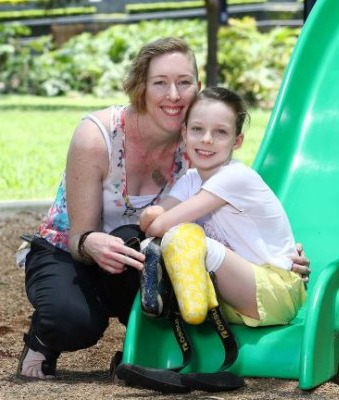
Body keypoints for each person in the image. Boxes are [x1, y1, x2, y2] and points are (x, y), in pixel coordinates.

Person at [16, 38, 310, 380]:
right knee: (73, 320)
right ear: (141, 87)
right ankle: (42, 340)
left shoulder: (197, 147)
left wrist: (274, 254)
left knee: (157, 250)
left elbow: (232, 215)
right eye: (160, 83)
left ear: (197, 88)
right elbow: (79, 234)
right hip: (73, 250)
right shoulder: (97, 135)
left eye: (184, 83)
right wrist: (90, 242)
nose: (174, 95)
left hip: (135, 252)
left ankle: (142, 347)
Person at [139, 87, 307, 327]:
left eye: (220, 132)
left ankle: (189, 306)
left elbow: (159, 224)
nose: (207, 139)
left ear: (236, 141)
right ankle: (187, 302)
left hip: (275, 290)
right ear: (185, 133)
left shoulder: (234, 177)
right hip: (234, 297)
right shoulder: (190, 180)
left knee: (183, 238)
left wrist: (152, 220)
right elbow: (152, 225)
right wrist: (152, 221)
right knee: (160, 242)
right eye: (197, 129)